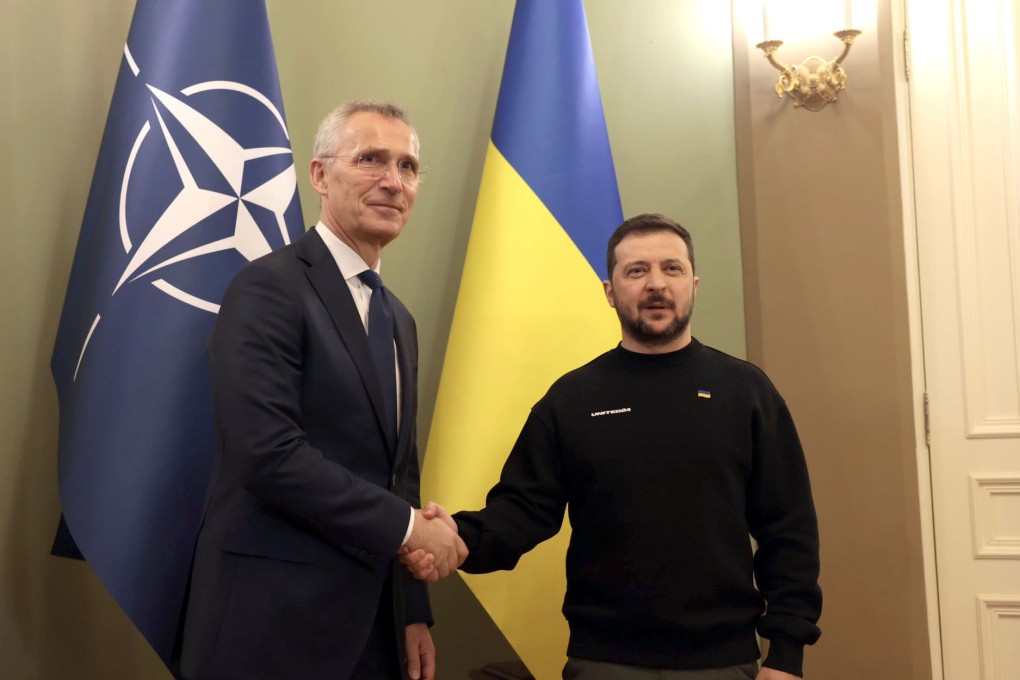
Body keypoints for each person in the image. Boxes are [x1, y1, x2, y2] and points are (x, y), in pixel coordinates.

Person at [404, 214, 822, 679]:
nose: (656, 284)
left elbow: (790, 530)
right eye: (637, 271)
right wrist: (458, 539)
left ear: (694, 284)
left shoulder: (747, 393)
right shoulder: (572, 399)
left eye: (672, 269)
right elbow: (522, 511)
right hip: (603, 661)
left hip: (725, 661)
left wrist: (786, 655)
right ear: (609, 291)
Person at [179, 101, 467, 680]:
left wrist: (411, 608)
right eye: (370, 160)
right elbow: (266, 453)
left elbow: (399, 473)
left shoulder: (398, 319)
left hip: (372, 631)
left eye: (408, 167)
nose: (393, 181)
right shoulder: (267, 288)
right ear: (319, 175)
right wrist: (412, 528)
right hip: (270, 622)